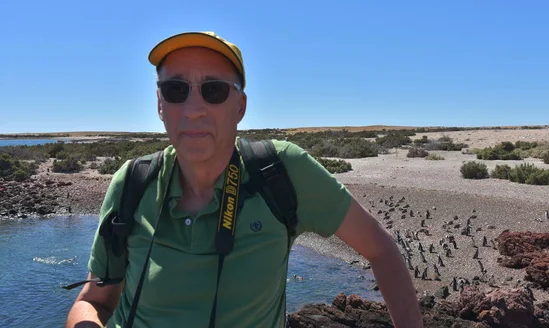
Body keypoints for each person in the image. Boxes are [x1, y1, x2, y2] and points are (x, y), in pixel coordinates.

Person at [65, 31, 422, 328]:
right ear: (160, 104)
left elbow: (381, 250)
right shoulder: (133, 182)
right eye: (176, 90)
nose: (193, 108)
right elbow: (95, 301)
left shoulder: (280, 171)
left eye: (214, 90)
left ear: (240, 107)